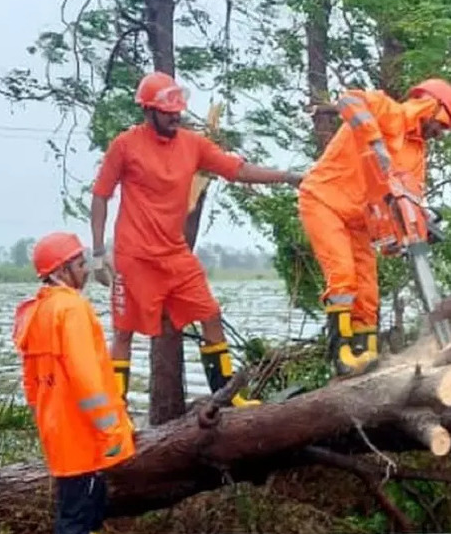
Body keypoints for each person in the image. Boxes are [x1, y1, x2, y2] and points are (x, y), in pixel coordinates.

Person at [88, 71, 304, 408]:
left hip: (175, 254)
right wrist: (99, 254)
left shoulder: (192, 144)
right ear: (148, 110)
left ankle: (228, 397)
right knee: (124, 332)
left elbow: (238, 170)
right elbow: (101, 195)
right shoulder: (125, 145)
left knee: (210, 314)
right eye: (167, 112)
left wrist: (289, 177)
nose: (176, 117)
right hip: (135, 256)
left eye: (178, 111)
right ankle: (117, 411)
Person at [295, 78, 451, 377]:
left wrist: (418, 223)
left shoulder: (416, 152)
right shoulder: (388, 111)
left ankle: (366, 353)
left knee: (369, 290)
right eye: (442, 124)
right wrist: (375, 141)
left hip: (359, 220)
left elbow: (410, 196)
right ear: (432, 107)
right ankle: (341, 353)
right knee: (343, 279)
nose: (440, 133)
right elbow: (348, 101)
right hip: (323, 200)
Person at [12, 231, 136, 534]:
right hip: (82, 435)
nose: (85, 269)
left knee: (83, 511)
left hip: (59, 428)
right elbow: (88, 382)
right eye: (80, 263)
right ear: (62, 270)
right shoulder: (72, 310)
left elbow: (31, 385)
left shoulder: (36, 310)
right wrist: (112, 432)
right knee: (75, 520)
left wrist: (51, 418)